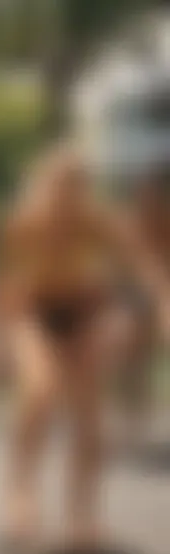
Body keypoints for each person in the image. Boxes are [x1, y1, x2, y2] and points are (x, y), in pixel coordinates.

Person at [0, 144, 170, 554]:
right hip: (33, 313)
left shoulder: (99, 221)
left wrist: (162, 304)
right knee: (41, 390)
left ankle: (83, 515)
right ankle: (20, 492)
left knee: (90, 419)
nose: (65, 200)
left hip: (85, 313)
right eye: (57, 188)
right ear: (40, 187)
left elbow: (145, 266)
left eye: (76, 188)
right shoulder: (22, 223)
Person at [116, 168, 170, 444]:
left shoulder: (165, 223)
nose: (150, 200)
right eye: (145, 195)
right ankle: (133, 417)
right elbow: (118, 266)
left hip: (160, 292)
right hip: (130, 295)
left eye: (155, 195)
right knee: (132, 359)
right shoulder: (124, 224)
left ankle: (137, 415)